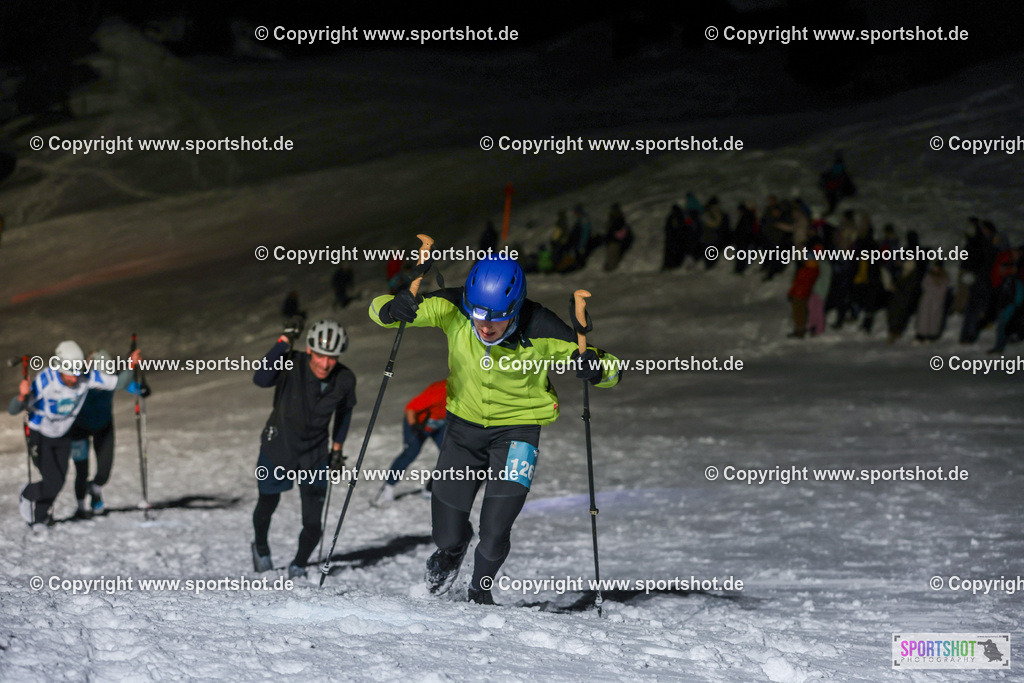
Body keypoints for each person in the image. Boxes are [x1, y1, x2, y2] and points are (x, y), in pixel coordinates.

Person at [369, 255, 621, 604]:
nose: (485, 326)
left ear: (515, 308)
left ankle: (479, 590)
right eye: (479, 315)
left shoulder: (541, 328)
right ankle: (453, 550)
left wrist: (596, 369)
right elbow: (379, 310)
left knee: (495, 529)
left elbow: (611, 370)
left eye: (498, 318)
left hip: (518, 432)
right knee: (446, 531)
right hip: (462, 429)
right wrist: (392, 308)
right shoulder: (455, 306)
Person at [251, 317, 356, 579]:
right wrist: (283, 341)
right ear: (309, 350)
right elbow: (261, 379)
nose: (325, 363)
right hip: (278, 446)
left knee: (312, 521)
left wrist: (336, 450)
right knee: (267, 504)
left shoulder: (344, 379)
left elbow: (344, 415)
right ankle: (261, 548)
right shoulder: (291, 362)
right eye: (320, 355)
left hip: (314, 454)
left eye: (332, 357)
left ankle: (299, 563)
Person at [10, 341, 140, 527]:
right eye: (69, 374)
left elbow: (119, 383)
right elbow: (14, 409)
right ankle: (28, 494)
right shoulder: (47, 380)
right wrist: (22, 396)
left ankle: (40, 517)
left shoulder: (85, 376)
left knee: (59, 481)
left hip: (63, 435)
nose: (74, 379)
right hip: (40, 433)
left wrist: (130, 364)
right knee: (52, 482)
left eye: (77, 373)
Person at [68, 349, 149, 519]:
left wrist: (142, 389)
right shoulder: (81, 378)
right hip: (78, 429)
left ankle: (95, 489)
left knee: (104, 472)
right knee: (82, 471)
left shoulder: (112, 379)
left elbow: (131, 386)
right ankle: (81, 507)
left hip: (103, 427)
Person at [373, 379, 448, 507]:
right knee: (410, 453)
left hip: (440, 425)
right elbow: (410, 408)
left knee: (449, 455)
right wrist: (414, 426)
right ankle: (389, 488)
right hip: (418, 424)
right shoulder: (440, 391)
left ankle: (430, 489)